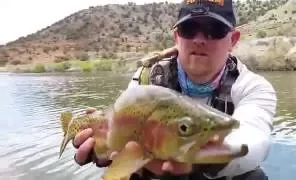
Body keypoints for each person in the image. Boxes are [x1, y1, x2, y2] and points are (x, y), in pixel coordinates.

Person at [72, 0, 277, 179]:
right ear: (176, 37)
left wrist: (202, 162)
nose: (199, 39)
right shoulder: (145, 78)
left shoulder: (254, 88)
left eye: (214, 30)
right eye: (189, 29)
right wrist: (106, 148)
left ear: (233, 40)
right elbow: (118, 124)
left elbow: (253, 139)